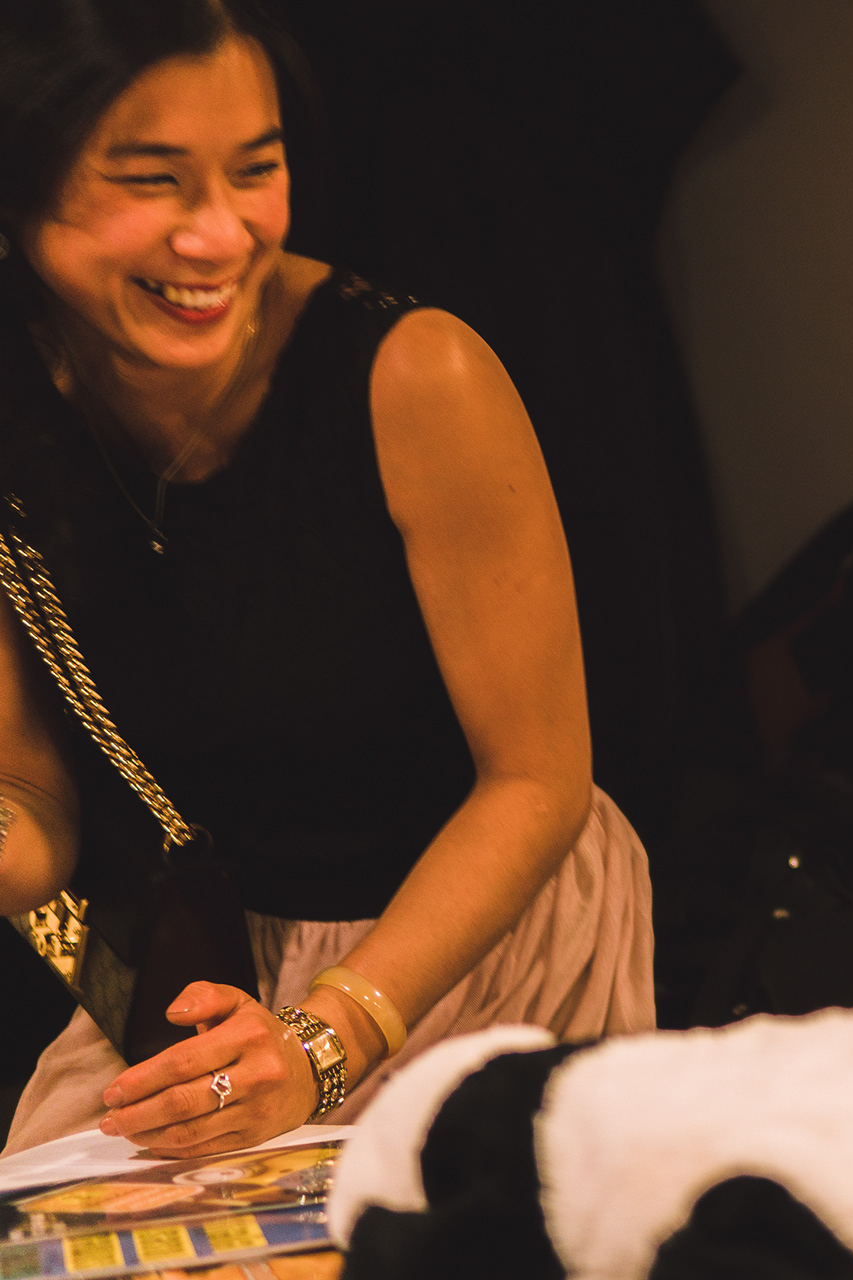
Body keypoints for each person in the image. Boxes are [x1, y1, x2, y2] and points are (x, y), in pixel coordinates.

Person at [0, 0, 653, 1158]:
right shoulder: (19, 403)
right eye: (153, 181)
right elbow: (34, 810)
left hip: (464, 938)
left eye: (257, 169)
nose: (220, 234)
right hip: (207, 966)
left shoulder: (416, 374)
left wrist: (324, 1039)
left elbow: (537, 783)